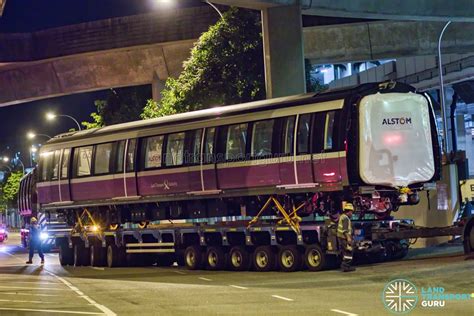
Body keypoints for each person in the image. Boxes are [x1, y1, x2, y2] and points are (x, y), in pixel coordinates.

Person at [337, 202, 355, 272]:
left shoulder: (342, 216)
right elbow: (345, 230)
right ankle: (346, 266)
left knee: (345, 252)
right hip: (344, 238)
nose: (352, 214)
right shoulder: (345, 218)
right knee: (349, 251)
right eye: (351, 212)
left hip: (341, 238)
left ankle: (345, 266)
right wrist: (349, 238)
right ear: (349, 211)